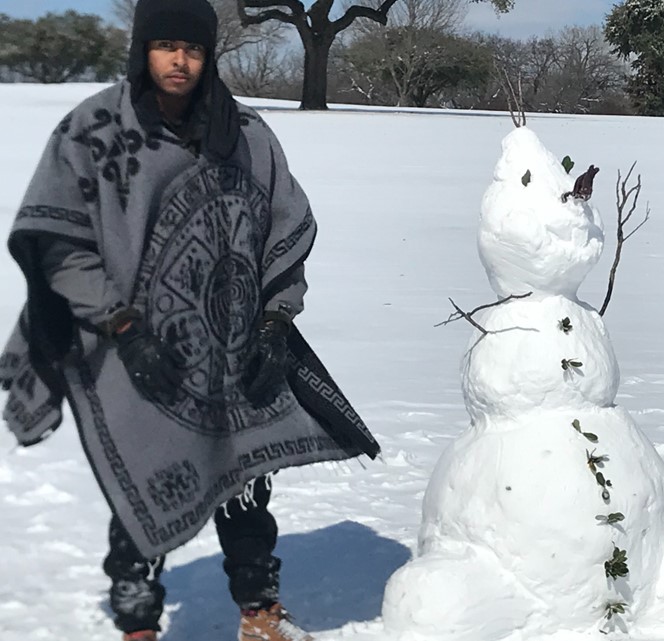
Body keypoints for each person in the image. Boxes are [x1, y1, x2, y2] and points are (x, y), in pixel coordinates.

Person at [0, 1, 380, 639]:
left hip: (233, 337)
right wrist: (121, 324)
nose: (180, 61)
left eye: (194, 49)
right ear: (142, 50)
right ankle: (139, 621)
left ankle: (259, 612)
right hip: (132, 342)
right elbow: (61, 246)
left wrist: (274, 323)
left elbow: (283, 234)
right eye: (166, 45)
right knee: (146, 476)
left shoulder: (246, 135)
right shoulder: (92, 129)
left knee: (247, 478)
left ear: (210, 56)